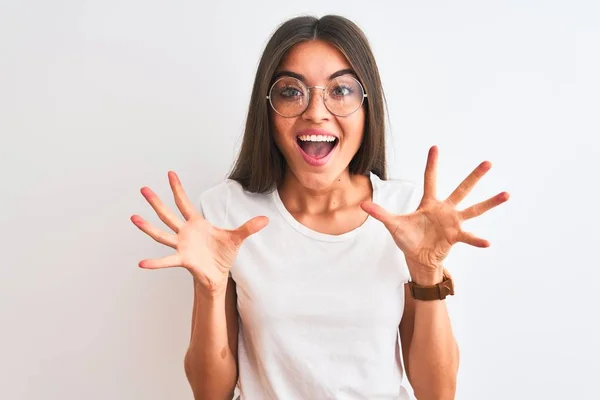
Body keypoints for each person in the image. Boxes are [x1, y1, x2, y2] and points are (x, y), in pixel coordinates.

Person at [130, 14, 510, 400]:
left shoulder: (404, 213)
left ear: (368, 107)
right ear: (267, 108)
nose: (315, 111)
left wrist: (427, 273)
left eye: (340, 90)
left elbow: (438, 393)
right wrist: (209, 289)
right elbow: (210, 393)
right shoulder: (227, 212)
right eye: (291, 91)